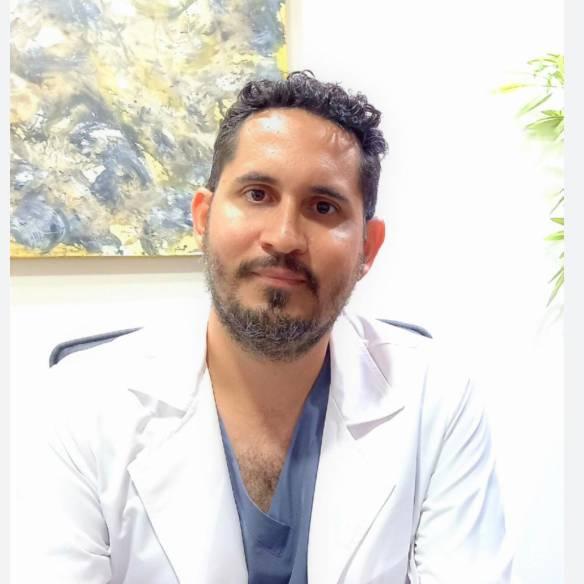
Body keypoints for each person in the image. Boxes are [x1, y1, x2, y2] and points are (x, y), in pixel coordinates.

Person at [37, 71, 511, 583]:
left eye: (323, 207)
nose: (284, 237)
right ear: (203, 217)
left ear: (367, 248)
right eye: (258, 194)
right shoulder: (78, 402)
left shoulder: (436, 399)